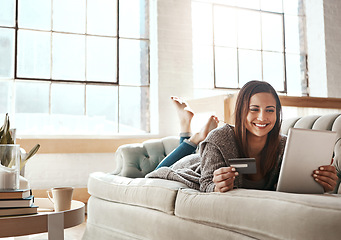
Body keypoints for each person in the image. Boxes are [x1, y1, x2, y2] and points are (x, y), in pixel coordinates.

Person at [150, 80, 338, 193]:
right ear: (241, 112)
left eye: (270, 110)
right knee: (156, 171)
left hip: (207, 153)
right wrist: (216, 186)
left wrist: (323, 183)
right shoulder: (219, 138)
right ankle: (192, 135)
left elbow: (290, 187)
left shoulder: (284, 146)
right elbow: (206, 184)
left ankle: (193, 134)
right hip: (194, 165)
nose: (263, 117)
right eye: (254, 109)